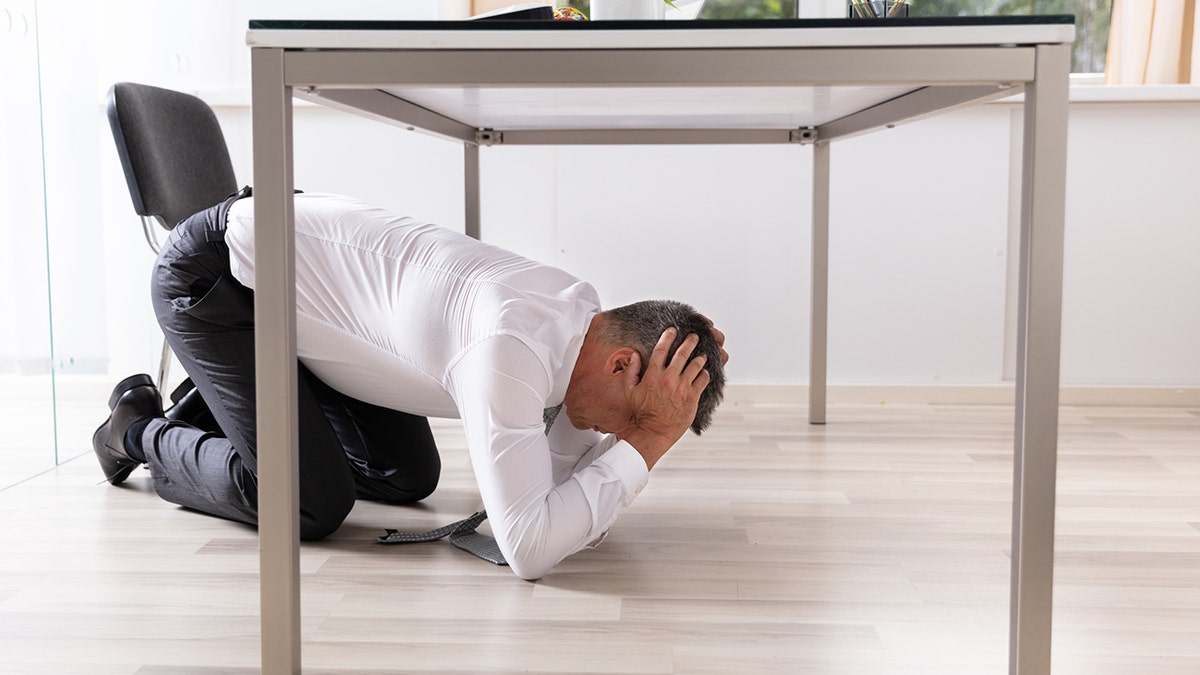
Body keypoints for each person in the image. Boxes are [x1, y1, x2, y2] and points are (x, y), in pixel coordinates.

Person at [92, 188, 727, 580]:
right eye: (628, 419)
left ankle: (226, 403)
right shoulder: (509, 349)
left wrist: (663, 408)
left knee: (408, 476)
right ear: (620, 364)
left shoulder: (579, 316)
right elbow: (531, 548)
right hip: (220, 282)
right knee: (312, 504)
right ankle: (138, 431)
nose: (615, 436)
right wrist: (653, 439)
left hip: (305, 297)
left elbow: (563, 489)